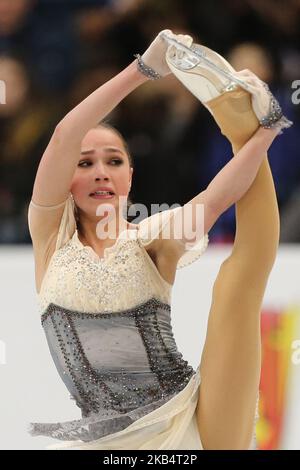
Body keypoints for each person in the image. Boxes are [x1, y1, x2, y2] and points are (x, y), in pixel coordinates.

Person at [27, 30, 291, 450]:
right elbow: (64, 133)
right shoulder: (49, 238)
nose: (100, 171)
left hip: (185, 421)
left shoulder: (153, 237)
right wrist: (143, 70)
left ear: (129, 177)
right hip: (109, 442)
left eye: (114, 161)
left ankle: (235, 119)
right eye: (85, 162)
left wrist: (262, 132)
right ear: (66, 179)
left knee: (238, 283)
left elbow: (218, 196)